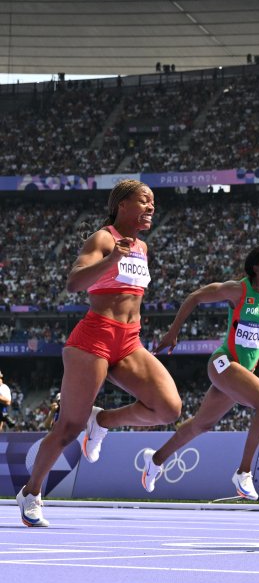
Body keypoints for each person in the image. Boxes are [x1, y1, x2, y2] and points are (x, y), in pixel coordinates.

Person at [16, 179, 182, 528]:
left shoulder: (143, 247)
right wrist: (112, 260)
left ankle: (103, 420)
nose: (151, 206)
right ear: (123, 204)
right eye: (144, 200)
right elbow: (74, 283)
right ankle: (31, 493)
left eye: (154, 201)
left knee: (169, 408)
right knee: (68, 426)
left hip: (129, 340)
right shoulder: (103, 238)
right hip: (93, 338)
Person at [147, 244, 259, 499]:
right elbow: (195, 296)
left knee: (201, 425)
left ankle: (156, 460)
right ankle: (244, 472)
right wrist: (173, 332)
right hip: (223, 363)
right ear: (256, 268)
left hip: (241, 371)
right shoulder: (237, 290)